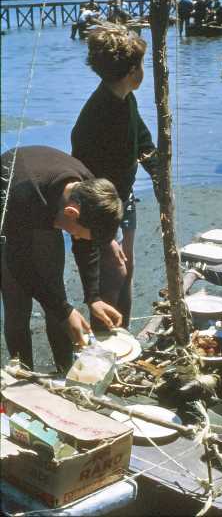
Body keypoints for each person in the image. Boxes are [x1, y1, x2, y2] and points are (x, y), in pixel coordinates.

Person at [0, 145, 123, 372]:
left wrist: (93, 297)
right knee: (17, 302)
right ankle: (24, 374)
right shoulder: (21, 195)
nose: (77, 239)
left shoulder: (89, 188)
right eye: (77, 234)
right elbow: (19, 265)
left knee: (55, 291)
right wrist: (64, 310)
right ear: (70, 213)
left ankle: (64, 369)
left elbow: (87, 244)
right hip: (11, 211)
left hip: (46, 203)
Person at [71, 24, 160, 331]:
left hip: (125, 197)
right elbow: (84, 182)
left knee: (127, 267)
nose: (144, 71)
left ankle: (124, 335)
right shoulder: (96, 114)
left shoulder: (125, 98)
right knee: (113, 273)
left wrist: (157, 174)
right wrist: (105, 236)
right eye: (143, 65)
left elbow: (144, 140)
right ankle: (104, 340)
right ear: (132, 71)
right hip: (98, 206)